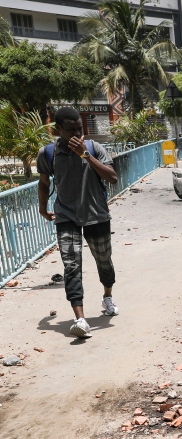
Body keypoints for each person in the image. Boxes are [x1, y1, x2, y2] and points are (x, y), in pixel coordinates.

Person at [37, 107, 119, 338]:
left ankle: (108, 296)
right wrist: (43, 209)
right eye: (71, 130)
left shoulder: (93, 148)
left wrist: (85, 155)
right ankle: (80, 319)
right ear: (57, 130)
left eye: (79, 129)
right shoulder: (47, 154)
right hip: (66, 216)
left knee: (103, 261)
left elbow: (112, 177)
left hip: (96, 214)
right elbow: (43, 183)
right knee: (71, 266)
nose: (77, 135)